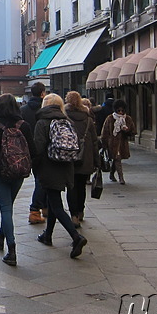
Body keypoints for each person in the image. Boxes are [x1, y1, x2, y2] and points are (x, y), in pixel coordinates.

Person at [0, 93, 33, 266]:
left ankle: (11, 249)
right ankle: (1, 237)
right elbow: (33, 149)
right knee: (8, 206)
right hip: (18, 172)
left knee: (5, 208)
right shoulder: (23, 126)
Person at [32, 93, 88, 259]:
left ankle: (76, 237)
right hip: (66, 167)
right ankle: (47, 235)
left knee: (56, 205)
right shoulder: (66, 121)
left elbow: (39, 148)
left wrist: (34, 166)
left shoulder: (42, 122)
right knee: (52, 199)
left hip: (49, 168)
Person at [64, 92, 100, 229]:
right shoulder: (88, 119)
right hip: (86, 158)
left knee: (71, 187)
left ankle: (73, 216)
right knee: (81, 186)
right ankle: (80, 211)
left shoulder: (65, 118)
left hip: (70, 157)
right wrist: (97, 160)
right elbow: (95, 142)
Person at [22, 82, 47, 225]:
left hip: (28, 149)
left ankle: (44, 206)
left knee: (39, 178)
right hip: (42, 149)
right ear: (42, 93)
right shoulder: (45, 109)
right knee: (41, 180)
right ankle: (35, 209)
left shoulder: (24, 110)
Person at [101, 99, 137, 184]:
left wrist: (127, 130)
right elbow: (105, 131)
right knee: (117, 158)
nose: (120, 112)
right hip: (112, 143)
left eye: (122, 110)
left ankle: (111, 174)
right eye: (119, 110)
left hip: (122, 143)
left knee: (117, 159)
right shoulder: (110, 118)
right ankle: (121, 177)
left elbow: (133, 131)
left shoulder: (127, 119)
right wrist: (104, 143)